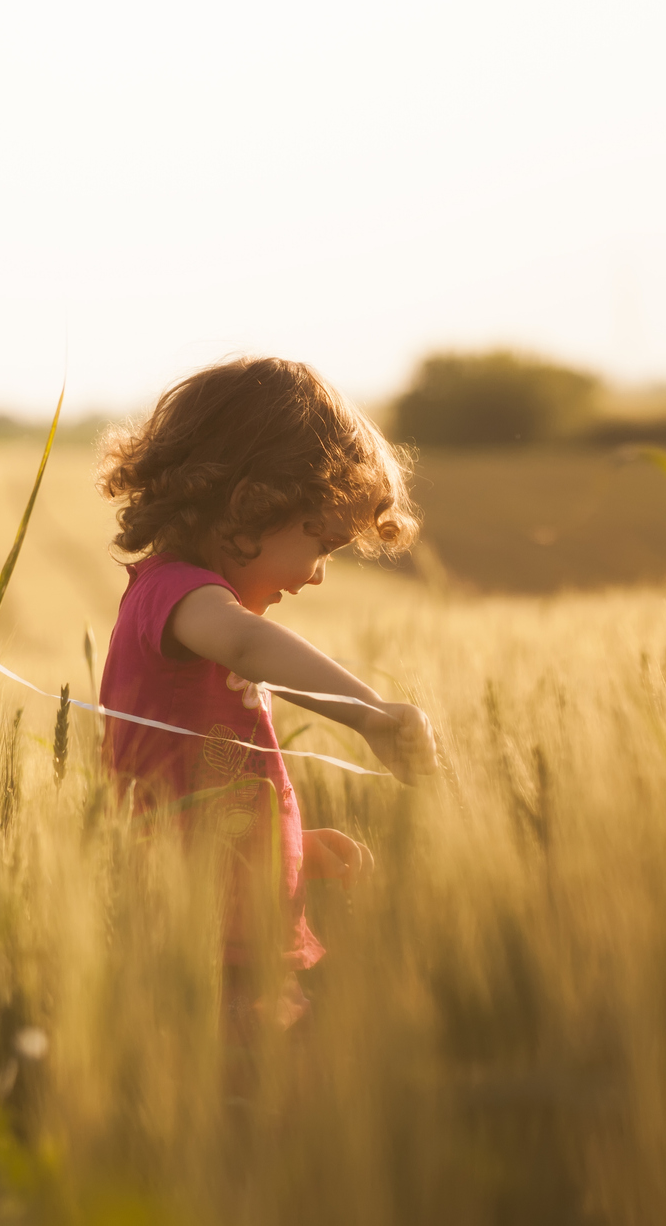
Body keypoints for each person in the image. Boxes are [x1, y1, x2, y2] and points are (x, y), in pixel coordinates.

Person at [95, 356, 440, 1026]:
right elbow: (249, 647)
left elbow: (212, 788)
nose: (315, 575)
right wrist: (370, 717)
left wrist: (289, 849)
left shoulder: (195, 610)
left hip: (241, 935)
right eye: (322, 543)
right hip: (198, 941)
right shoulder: (176, 597)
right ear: (251, 502)